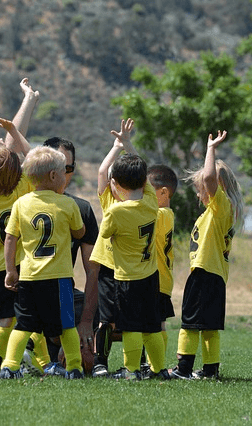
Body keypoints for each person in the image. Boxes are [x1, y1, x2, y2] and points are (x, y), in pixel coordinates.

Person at [0, 78, 49, 378]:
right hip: (26, 267)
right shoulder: (23, 189)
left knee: (3, 320)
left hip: (2, 269)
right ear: (18, 174)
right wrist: (16, 128)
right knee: (33, 319)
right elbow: (25, 154)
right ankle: (38, 363)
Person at [0, 146, 86, 379]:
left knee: (24, 325)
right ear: (54, 176)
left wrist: (10, 270)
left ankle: (9, 366)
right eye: (64, 172)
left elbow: (10, 238)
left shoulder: (21, 204)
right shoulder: (67, 204)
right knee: (67, 325)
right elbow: (80, 232)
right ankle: (75, 368)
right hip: (59, 278)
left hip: (29, 277)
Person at [93, 118, 169, 380]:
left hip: (127, 278)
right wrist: (128, 146)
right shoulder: (151, 201)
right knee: (151, 326)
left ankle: (131, 370)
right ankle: (160, 370)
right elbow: (144, 178)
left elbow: (105, 234)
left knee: (130, 327)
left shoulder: (115, 211)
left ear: (116, 184)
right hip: (150, 276)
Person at [170, 130, 244, 380]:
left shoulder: (220, 205)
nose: (199, 191)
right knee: (210, 326)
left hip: (204, 273)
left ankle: (183, 370)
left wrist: (210, 149)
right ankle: (210, 370)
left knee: (189, 324)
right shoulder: (217, 212)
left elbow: (211, 177)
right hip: (215, 276)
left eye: (200, 186)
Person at [38, 137, 100, 375]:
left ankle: (86, 356)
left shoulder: (81, 208)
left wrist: (85, 322)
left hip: (63, 290)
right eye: (58, 167)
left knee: (104, 304)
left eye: (69, 168)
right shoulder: (25, 202)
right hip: (32, 289)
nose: (63, 174)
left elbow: (92, 269)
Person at [140, 164, 178, 376]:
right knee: (154, 324)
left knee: (157, 326)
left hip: (158, 280)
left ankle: (157, 367)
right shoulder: (164, 213)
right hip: (159, 280)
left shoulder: (163, 214)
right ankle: (154, 365)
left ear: (163, 193)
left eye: (147, 191)